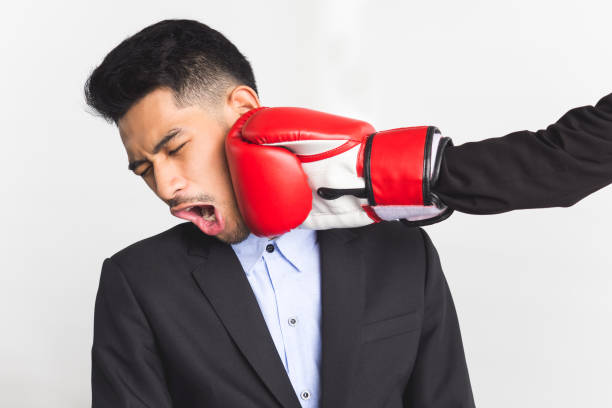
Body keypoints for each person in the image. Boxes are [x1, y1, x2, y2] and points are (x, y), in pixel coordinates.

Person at [84, 18, 611, 408]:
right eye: (144, 169)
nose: (165, 186)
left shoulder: (399, 245)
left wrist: (398, 174)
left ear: (243, 111)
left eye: (175, 148)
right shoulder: (137, 283)